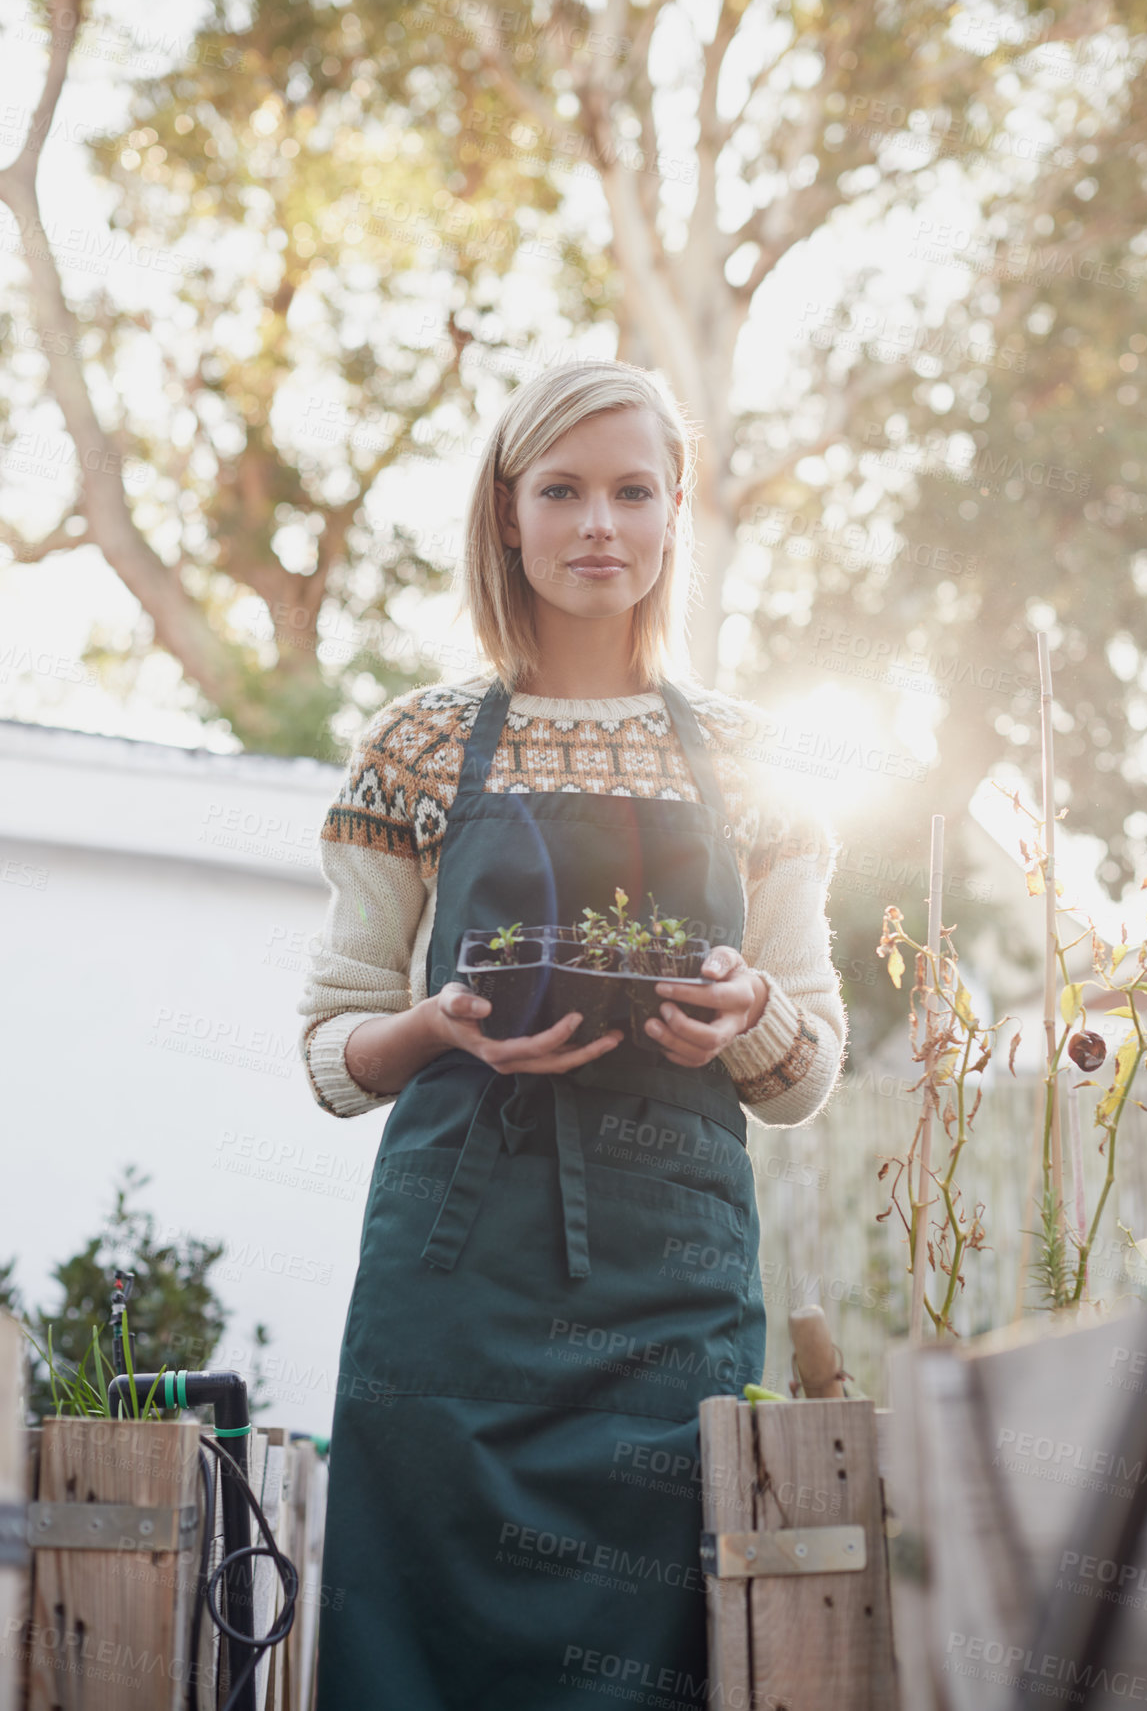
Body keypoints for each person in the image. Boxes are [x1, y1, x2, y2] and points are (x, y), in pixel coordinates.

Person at [299, 359, 846, 1709]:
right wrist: (435, 1029)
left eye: (633, 491)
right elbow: (333, 1046)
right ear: (507, 515)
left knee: (652, 1635)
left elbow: (808, 1067)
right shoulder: (418, 748)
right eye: (563, 489)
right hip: (451, 1267)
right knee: (412, 1624)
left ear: (674, 520)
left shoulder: (753, 758)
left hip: (670, 1276)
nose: (599, 521)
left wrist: (748, 1016)